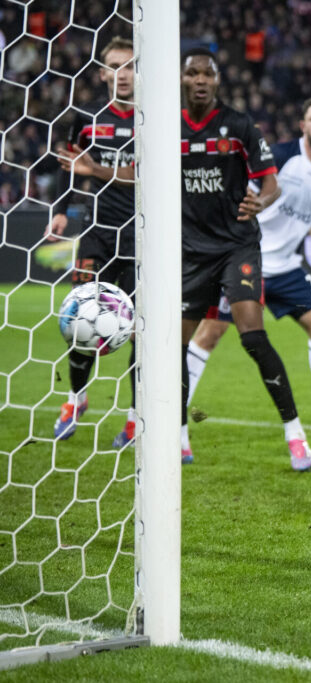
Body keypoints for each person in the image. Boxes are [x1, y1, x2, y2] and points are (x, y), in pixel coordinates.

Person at [184, 97, 311, 435]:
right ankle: (172, 414)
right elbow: (240, 192)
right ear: (303, 125)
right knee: (209, 334)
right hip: (245, 261)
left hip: (285, 270)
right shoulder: (281, 156)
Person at [178, 47, 311, 471]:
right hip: (190, 252)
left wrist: (261, 202)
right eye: (192, 73)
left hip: (237, 246)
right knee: (174, 348)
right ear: (182, 80)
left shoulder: (238, 126)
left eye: (207, 74)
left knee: (252, 336)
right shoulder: (166, 126)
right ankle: (178, 432)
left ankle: (295, 433)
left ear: (217, 80)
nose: (200, 80)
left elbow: (270, 183)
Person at [47, 36, 138, 448]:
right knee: (81, 321)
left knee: (142, 332)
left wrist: (93, 169)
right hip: (98, 235)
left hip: (143, 238)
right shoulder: (86, 119)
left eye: (130, 66)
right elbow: (70, 167)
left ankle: (135, 418)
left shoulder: (154, 119)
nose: (123, 74)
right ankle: (74, 399)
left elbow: (143, 175)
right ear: (103, 73)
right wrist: (61, 209)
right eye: (115, 66)